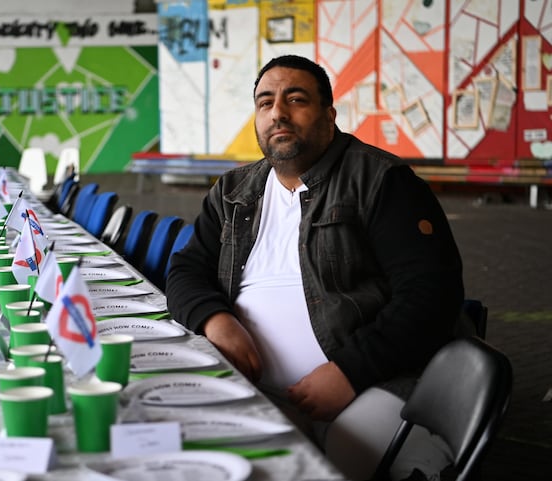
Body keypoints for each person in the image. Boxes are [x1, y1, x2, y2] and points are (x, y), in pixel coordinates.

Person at [166, 55, 468, 480]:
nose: (278, 113)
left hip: (372, 382)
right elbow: (184, 269)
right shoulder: (234, 192)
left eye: (296, 99)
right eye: (265, 102)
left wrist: (350, 370)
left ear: (329, 115)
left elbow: (431, 296)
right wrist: (215, 320)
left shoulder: (381, 181)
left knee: (339, 454)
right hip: (250, 385)